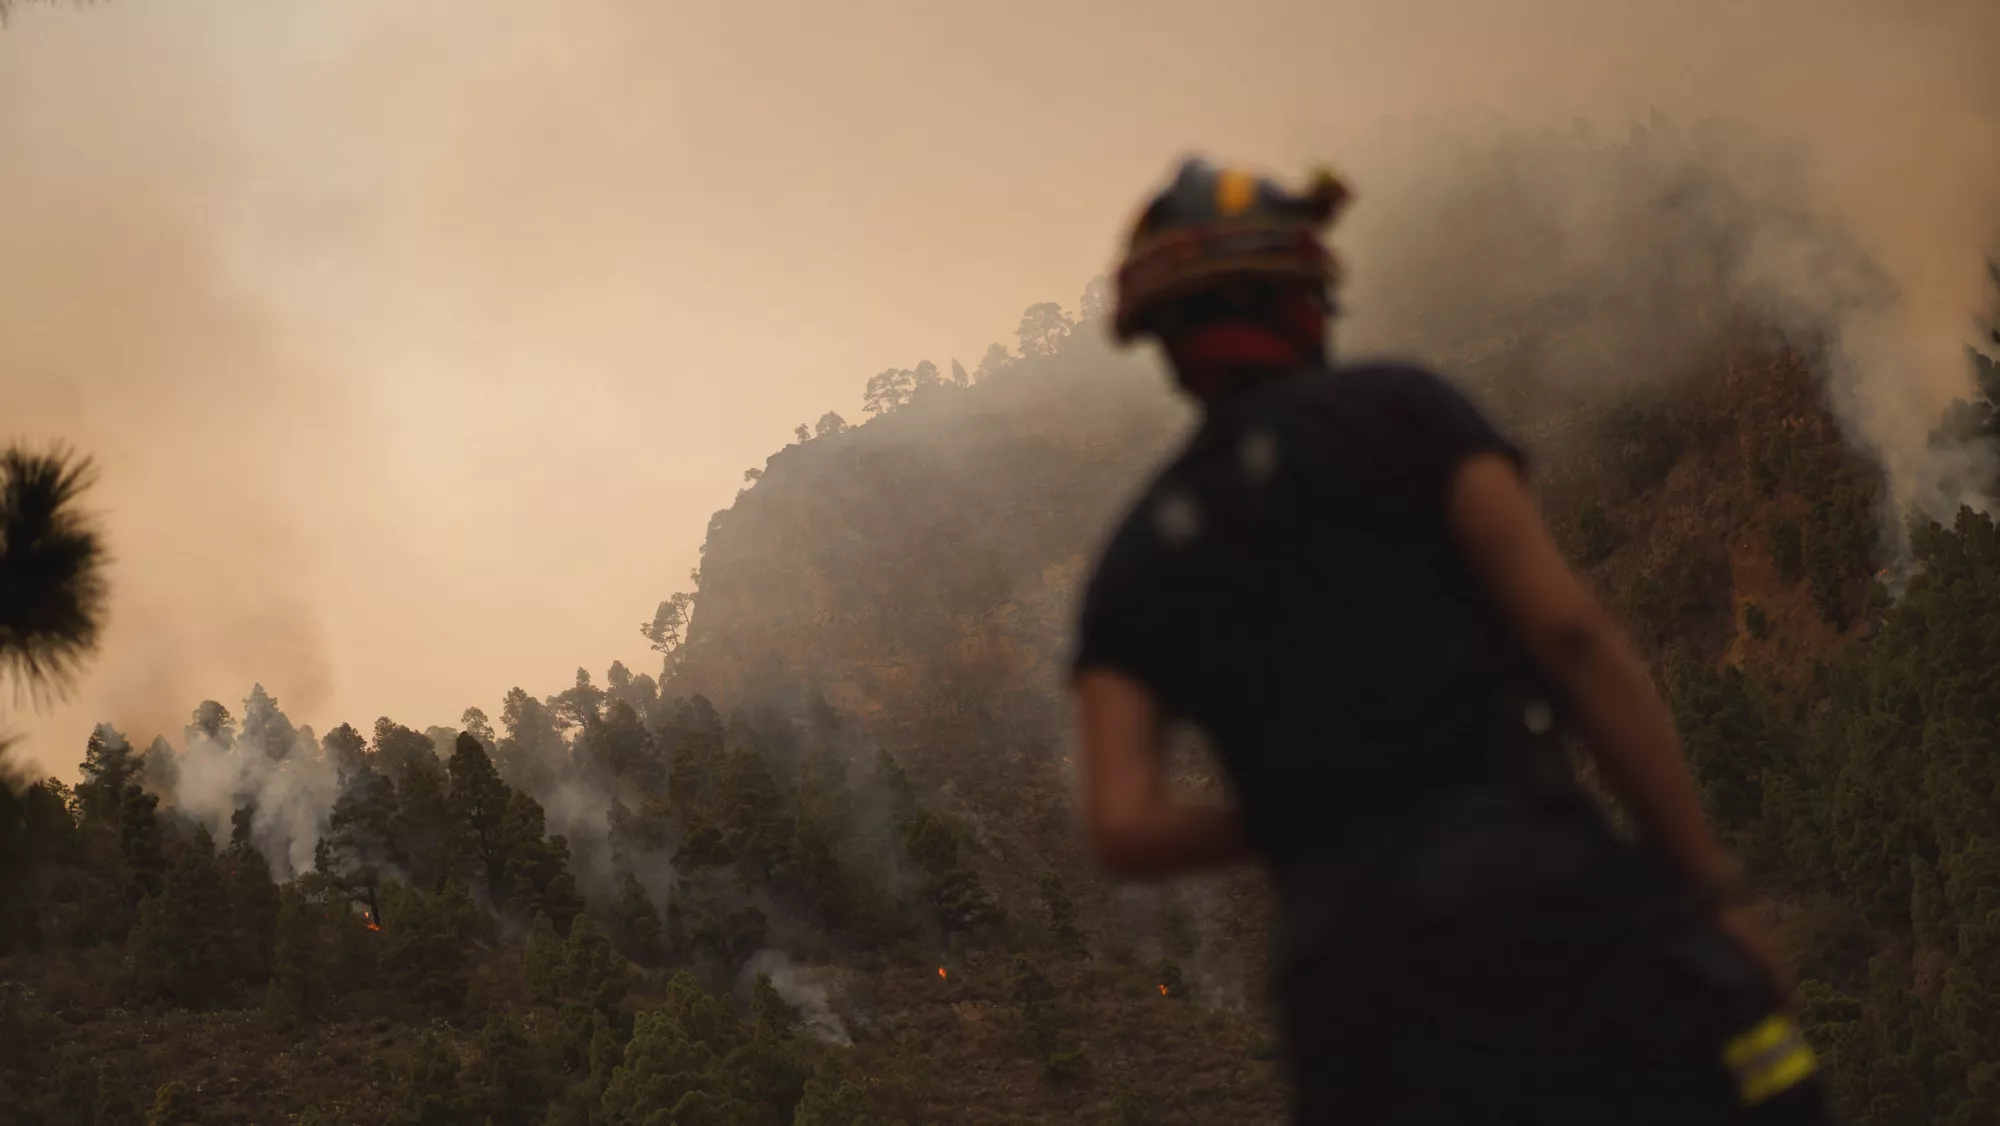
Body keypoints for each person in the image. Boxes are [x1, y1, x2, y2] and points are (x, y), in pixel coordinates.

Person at [1068, 157, 1836, 1125]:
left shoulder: (1137, 553)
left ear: (1164, 340)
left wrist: (1297, 808)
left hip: (1346, 990)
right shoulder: (1402, 411)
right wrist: (1710, 886)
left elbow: (1121, 826)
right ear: (1304, 297)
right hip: (1538, 896)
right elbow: (1568, 634)